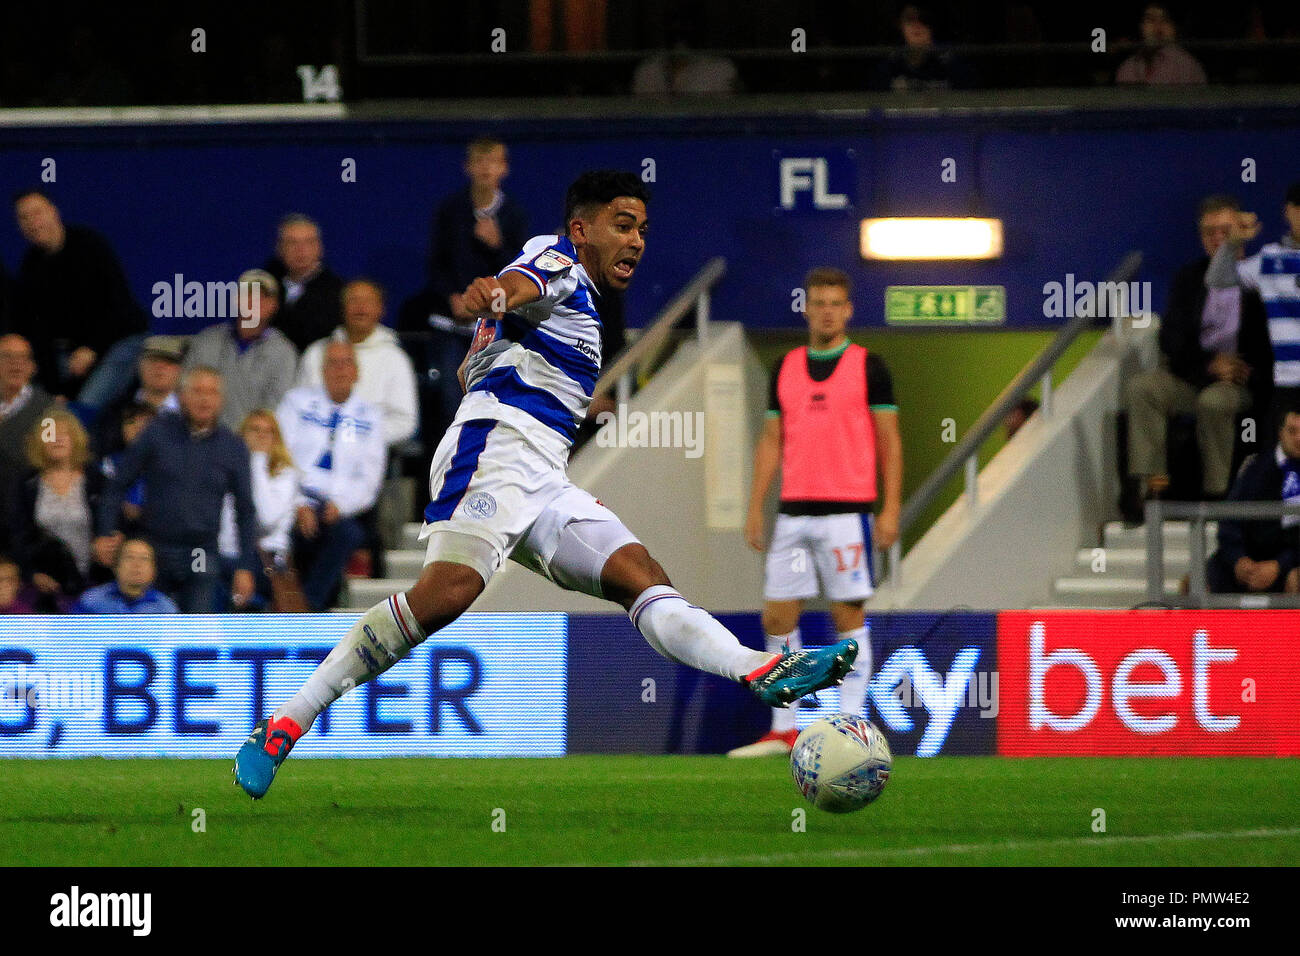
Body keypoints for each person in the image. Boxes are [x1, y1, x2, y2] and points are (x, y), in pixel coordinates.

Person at [235, 170, 859, 798]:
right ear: (581, 228)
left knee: (639, 574)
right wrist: (497, 296)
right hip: (496, 449)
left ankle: (761, 668)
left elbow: (494, 342)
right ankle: (286, 723)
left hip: (541, 472)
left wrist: (497, 343)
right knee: (448, 592)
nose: (637, 240)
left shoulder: (579, 297)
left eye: (642, 228)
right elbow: (525, 282)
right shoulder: (558, 258)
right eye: (622, 224)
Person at [731, 268, 902, 758]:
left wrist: (889, 509)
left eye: (835, 303)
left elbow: (890, 442)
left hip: (849, 512)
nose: (826, 310)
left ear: (848, 310)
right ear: (806, 308)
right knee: (778, 617)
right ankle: (784, 728)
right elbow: (770, 441)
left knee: (847, 616)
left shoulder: (871, 367)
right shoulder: (785, 367)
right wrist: (755, 507)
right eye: (818, 302)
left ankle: (852, 725)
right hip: (794, 513)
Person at [1124, 195, 1272, 517]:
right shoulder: (1189, 278)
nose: (1218, 238)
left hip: (1237, 380)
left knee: (1214, 402)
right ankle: (1153, 488)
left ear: (1241, 232)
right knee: (1143, 388)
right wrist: (1208, 365)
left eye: (1225, 230)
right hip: (1194, 374)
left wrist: (1244, 370)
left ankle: (1217, 495)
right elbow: (1171, 338)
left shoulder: (1261, 277)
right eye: (1210, 232)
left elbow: (1270, 344)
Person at [94, 366, 257, 613]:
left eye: (212, 392)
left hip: (200, 551)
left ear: (221, 400)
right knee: (149, 623)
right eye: (197, 391)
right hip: (154, 546)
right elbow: (118, 484)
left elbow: (245, 510)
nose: (204, 398)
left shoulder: (233, 447)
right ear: (181, 396)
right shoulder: (157, 432)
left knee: (196, 626)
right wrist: (106, 531)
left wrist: (245, 566)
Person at [411, 137, 531, 447]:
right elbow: (436, 264)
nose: (485, 169)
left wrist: (497, 246)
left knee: (496, 400)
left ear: (504, 169)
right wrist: (452, 297)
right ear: (467, 167)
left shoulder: (514, 214)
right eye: (479, 161)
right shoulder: (449, 210)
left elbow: (521, 274)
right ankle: (453, 469)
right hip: (453, 326)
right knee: (452, 399)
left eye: (493, 162)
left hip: (497, 326)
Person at [10, 189, 148, 414]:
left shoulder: (90, 246)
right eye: (23, 218)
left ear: (54, 212)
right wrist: (55, 391)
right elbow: (39, 335)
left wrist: (92, 349)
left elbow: (119, 307)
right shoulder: (30, 267)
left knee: (81, 411)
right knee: (45, 407)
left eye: (37, 213)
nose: (32, 223)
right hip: (70, 354)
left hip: (120, 341)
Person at [277, 341, 385, 611]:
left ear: (357, 372)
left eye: (346, 362)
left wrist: (341, 505)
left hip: (339, 507)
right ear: (322, 370)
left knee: (348, 534)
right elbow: (278, 459)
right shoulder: (296, 403)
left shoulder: (370, 417)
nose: (340, 369)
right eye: (332, 363)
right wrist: (297, 504)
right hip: (292, 500)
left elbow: (370, 479)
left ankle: (307, 607)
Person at [1207, 181, 1300, 431]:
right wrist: (1232, 243)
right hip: (1288, 383)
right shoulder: (1269, 259)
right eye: (1299, 206)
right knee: (1281, 462)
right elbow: (1217, 279)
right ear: (1287, 211)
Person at [8, 408, 109, 612]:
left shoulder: (96, 480)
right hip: (44, 584)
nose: (57, 439)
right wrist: (32, 574)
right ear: (40, 442)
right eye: (50, 434)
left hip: (93, 580)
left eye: (64, 434)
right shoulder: (27, 483)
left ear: (76, 440)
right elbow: (17, 533)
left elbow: (108, 527)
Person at [298, 279, 419, 448]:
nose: (360, 308)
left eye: (368, 301)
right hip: (313, 448)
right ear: (342, 308)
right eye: (353, 300)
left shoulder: (395, 359)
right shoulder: (316, 353)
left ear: (381, 309)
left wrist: (354, 436)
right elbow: (298, 407)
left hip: (369, 454)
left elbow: (404, 421)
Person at [183, 269, 297, 431]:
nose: (255, 302)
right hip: (202, 439)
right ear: (237, 300)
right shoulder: (207, 341)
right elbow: (186, 393)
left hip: (252, 443)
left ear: (274, 306)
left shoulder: (283, 353)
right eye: (249, 295)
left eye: (264, 297)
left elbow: (276, 410)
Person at [1206, 407, 1300, 594]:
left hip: (1289, 560)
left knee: (1296, 577)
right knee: (1197, 581)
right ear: (1280, 433)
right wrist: (1238, 560)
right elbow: (1229, 521)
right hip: (1249, 558)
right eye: (1293, 431)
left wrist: (1279, 565)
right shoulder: (1255, 468)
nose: (1299, 438)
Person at [218, 410, 300, 611]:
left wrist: (255, 460)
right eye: (254, 429)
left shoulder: (284, 474)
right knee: (201, 567)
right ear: (242, 435)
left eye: (268, 431)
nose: (261, 435)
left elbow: (266, 518)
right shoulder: (225, 470)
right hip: (227, 554)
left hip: (267, 560)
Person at [263, 214, 345, 354]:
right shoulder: (263, 287)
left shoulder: (338, 292)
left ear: (319, 248)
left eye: (309, 242)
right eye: (292, 243)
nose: (301, 250)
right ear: (279, 248)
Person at [94, 335, 183, 457]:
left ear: (180, 370)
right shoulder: (115, 410)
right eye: (153, 360)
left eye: (168, 362)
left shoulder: (191, 412)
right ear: (140, 365)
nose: (160, 367)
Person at [0, 334, 53, 495]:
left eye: (23, 358)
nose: (15, 364)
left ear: (32, 367)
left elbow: (47, 457)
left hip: (21, 497)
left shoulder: (48, 411)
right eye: (7, 356)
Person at [874, 5, 969, 92]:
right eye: (910, 19)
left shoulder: (950, 60)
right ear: (900, 25)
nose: (917, 24)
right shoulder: (890, 61)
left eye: (924, 19)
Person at [73, 538, 179, 613]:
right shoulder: (91, 601)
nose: (136, 564)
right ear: (116, 566)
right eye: (129, 557)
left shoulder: (166, 609)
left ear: (153, 571)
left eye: (144, 559)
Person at [1116, 4, 1207, 86]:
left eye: (1166, 20)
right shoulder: (1128, 67)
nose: (1158, 28)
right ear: (1141, 26)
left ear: (1175, 27)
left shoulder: (1188, 66)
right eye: (1150, 20)